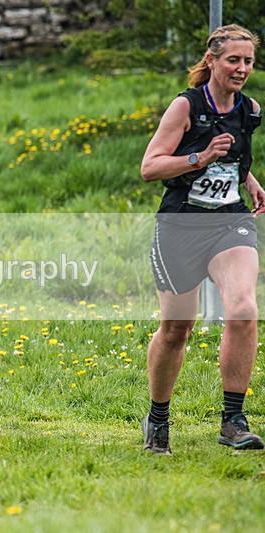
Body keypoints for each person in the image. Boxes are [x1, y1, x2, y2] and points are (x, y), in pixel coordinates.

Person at [140, 24, 265, 454]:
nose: (242, 68)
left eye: (248, 61)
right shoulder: (185, 106)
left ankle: (233, 420)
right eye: (234, 60)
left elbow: (232, 156)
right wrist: (200, 157)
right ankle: (158, 420)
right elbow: (150, 167)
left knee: (243, 308)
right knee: (177, 328)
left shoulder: (250, 110)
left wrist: (248, 179)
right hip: (180, 225)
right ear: (211, 60)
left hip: (230, 222)